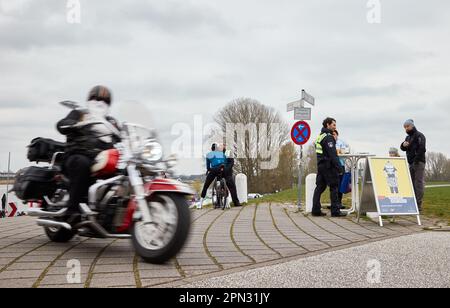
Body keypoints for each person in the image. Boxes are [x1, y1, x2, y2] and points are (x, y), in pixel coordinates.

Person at [57, 85, 120, 223]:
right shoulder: (80, 113)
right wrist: (72, 124)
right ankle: (72, 210)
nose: (99, 102)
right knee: (82, 164)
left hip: (101, 159)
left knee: (124, 170)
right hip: (77, 155)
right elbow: (62, 124)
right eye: (95, 98)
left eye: (104, 100)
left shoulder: (111, 122)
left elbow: (123, 136)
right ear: (89, 100)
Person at [312, 118, 346, 217]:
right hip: (328, 165)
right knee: (334, 187)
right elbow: (333, 155)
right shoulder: (328, 137)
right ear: (328, 125)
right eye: (333, 125)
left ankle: (316, 210)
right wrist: (339, 168)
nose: (335, 127)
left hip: (321, 165)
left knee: (320, 187)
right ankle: (335, 211)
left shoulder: (320, 136)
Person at [198, 143, 241, 209]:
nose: (221, 147)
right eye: (220, 146)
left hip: (226, 172)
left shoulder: (227, 152)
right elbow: (222, 162)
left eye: (222, 145)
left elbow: (231, 162)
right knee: (220, 186)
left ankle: (234, 202)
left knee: (229, 186)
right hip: (222, 170)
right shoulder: (220, 153)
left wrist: (210, 169)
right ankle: (221, 203)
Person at [400, 119, 426, 211]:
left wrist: (416, 160)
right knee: (411, 184)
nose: (406, 128)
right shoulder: (407, 138)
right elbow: (403, 148)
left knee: (418, 183)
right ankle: (413, 203)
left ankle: (418, 205)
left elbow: (422, 149)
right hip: (410, 163)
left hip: (419, 163)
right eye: (405, 127)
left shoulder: (420, 135)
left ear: (412, 126)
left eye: (407, 126)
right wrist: (403, 145)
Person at [332, 130, 347, 209]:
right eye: (332, 134)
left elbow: (344, 153)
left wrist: (339, 152)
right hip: (332, 166)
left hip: (340, 165)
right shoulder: (329, 143)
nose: (333, 136)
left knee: (340, 185)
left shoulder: (341, 143)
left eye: (334, 134)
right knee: (333, 185)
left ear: (337, 135)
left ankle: (339, 202)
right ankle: (333, 203)